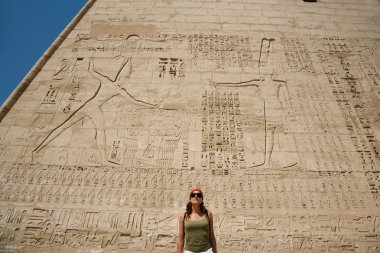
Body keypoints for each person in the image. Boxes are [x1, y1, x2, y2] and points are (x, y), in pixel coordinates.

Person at [177, 189, 217, 253]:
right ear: (190, 199)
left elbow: (212, 235)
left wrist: (215, 251)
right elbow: (180, 239)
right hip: (189, 251)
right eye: (193, 195)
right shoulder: (183, 216)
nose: (196, 197)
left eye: (199, 195)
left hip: (207, 250)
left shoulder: (208, 214)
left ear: (202, 199)